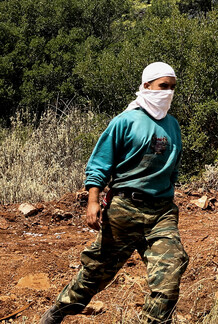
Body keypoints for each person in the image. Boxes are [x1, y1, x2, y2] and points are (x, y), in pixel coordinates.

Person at [40, 62, 189, 324]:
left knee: (171, 271)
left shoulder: (173, 125)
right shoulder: (125, 121)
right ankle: (57, 312)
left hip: (162, 212)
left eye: (172, 87)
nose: (168, 92)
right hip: (124, 209)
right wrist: (93, 201)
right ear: (146, 86)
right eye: (163, 86)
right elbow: (99, 164)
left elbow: (172, 169)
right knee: (96, 271)